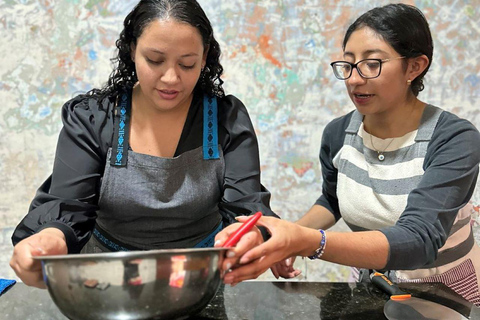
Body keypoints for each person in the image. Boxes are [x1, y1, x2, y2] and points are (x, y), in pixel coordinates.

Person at [215, 3, 480, 305]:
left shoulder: (454, 138)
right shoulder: (338, 134)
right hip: (372, 286)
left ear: (414, 67)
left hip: (447, 292)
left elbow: (420, 239)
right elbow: (332, 199)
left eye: (372, 64)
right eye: (348, 64)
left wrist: (305, 241)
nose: (354, 79)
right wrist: (285, 237)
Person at [10, 0, 277, 289]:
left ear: (204, 57)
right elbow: (67, 205)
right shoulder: (94, 119)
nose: (171, 78)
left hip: (198, 280)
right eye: (155, 60)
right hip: (104, 278)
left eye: (187, 63)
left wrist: (251, 236)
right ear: (131, 50)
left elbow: (246, 207)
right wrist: (50, 239)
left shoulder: (226, 119)